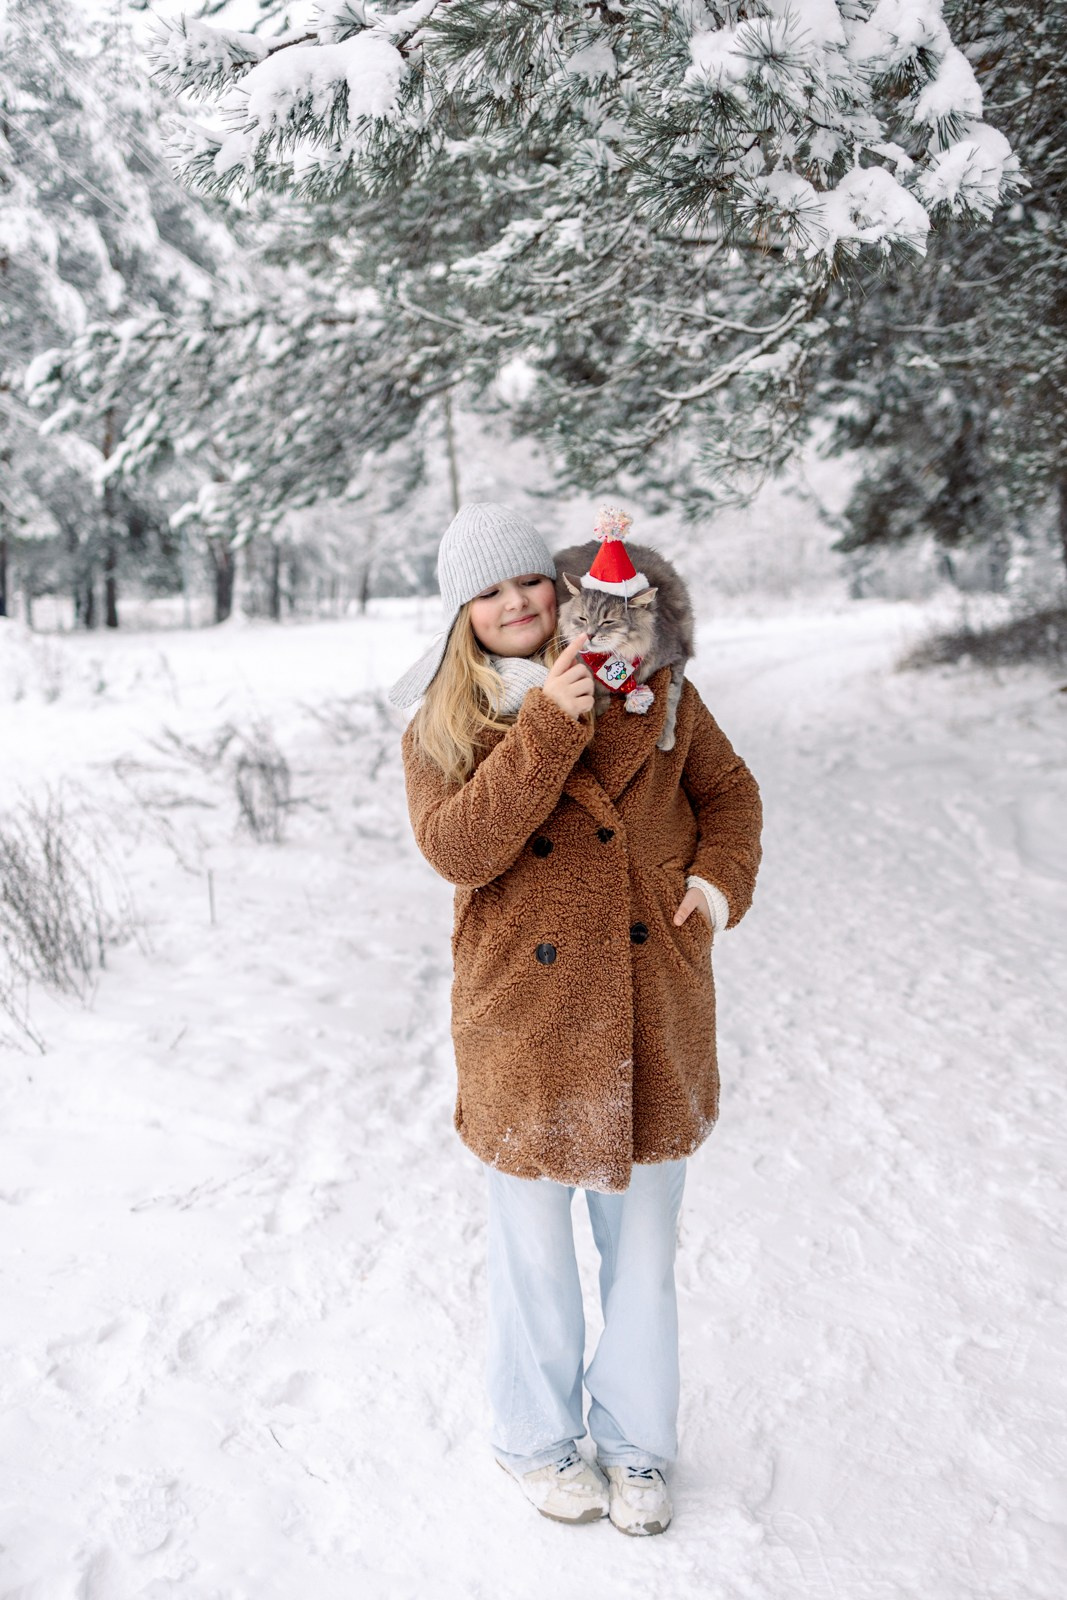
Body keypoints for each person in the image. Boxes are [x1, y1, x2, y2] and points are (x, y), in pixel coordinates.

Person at [390, 503, 762, 1536]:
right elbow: (462, 850)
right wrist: (550, 722)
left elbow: (729, 794)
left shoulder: (658, 691)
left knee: (642, 1257)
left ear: (558, 588)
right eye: (489, 590)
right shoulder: (443, 724)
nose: (515, 603)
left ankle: (637, 1447)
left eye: (529, 582)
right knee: (533, 1260)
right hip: (524, 1019)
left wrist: (712, 885)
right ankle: (536, 1441)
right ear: (460, 612)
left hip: (650, 1008)